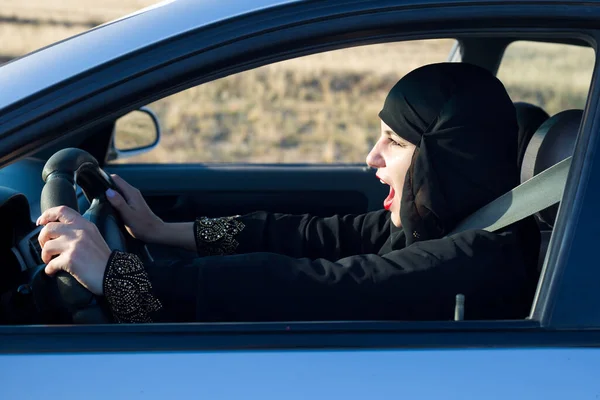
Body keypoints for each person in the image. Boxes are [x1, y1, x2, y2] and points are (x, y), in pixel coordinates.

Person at [36, 62, 541, 324]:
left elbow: (308, 283)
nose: (371, 157)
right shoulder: (448, 219)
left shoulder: (475, 258)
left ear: (444, 157)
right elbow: (307, 237)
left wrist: (118, 275)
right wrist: (162, 230)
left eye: (394, 141)